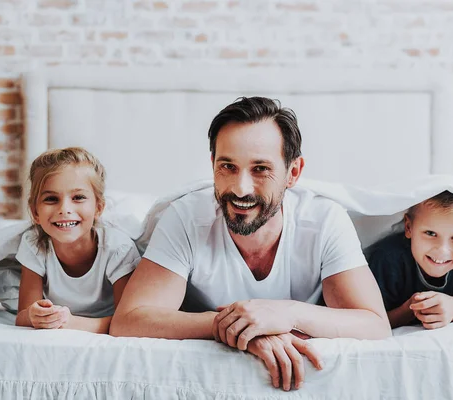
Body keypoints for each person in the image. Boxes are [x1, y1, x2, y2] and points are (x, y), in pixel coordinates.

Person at [110, 97, 391, 391]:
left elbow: (374, 324)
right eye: (228, 166)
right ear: (212, 165)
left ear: (293, 173)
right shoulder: (186, 217)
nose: (241, 188)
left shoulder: (324, 220)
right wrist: (240, 327)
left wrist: (285, 315)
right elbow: (128, 320)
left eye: (260, 169)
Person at [15, 147, 140, 334]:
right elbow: (23, 316)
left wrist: (70, 322)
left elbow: (129, 320)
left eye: (78, 197)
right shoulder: (34, 244)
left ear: (98, 207)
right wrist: (34, 316)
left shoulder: (117, 248)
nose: (64, 209)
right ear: (35, 213)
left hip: (105, 321)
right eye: (51, 199)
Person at [367, 191, 453, 329]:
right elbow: (367, 321)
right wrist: (410, 309)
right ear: (408, 227)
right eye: (430, 233)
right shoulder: (387, 258)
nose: (442, 250)